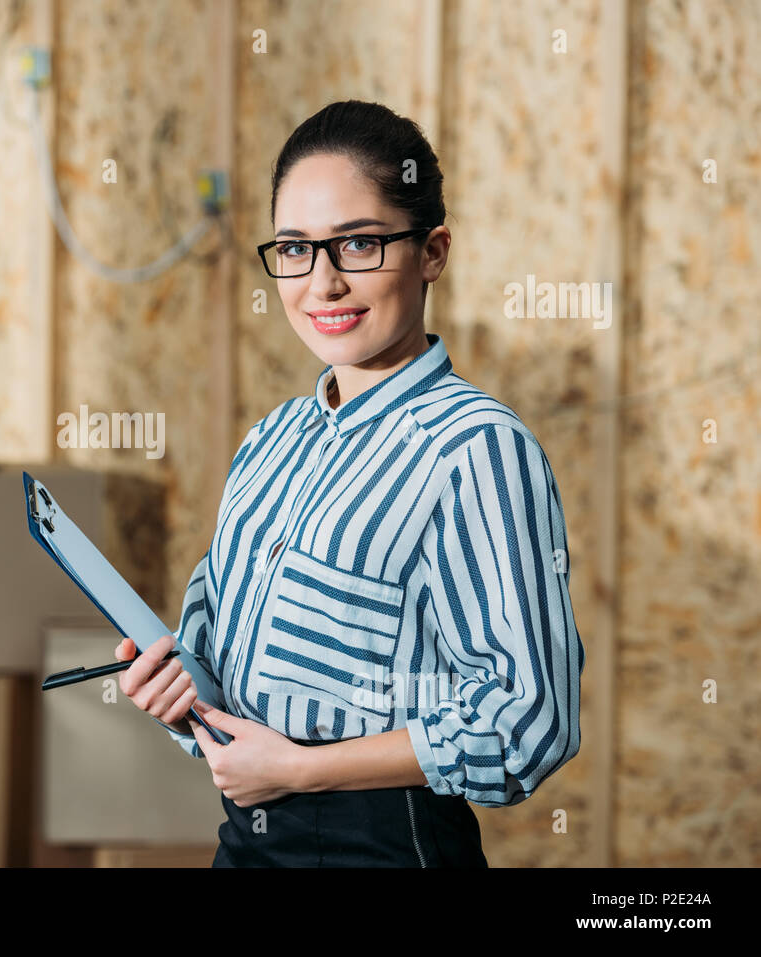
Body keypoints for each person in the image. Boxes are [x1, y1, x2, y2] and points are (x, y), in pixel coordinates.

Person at [114, 100, 584, 867]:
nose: (323, 283)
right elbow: (223, 664)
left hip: (385, 848)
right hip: (249, 843)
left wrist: (300, 767)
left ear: (431, 252)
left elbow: (530, 722)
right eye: (296, 249)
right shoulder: (273, 440)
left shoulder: (476, 448)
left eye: (359, 244)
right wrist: (178, 692)